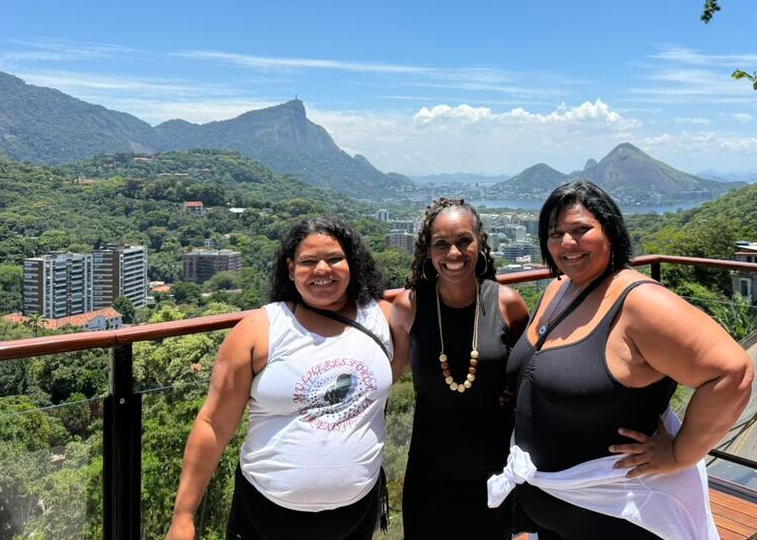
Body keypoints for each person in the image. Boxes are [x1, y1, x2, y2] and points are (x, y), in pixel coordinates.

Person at [493, 180, 754, 540]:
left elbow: (733, 373)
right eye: (556, 234)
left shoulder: (640, 303)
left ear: (611, 232)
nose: (567, 243)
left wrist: (680, 453)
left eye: (581, 230)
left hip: (619, 516)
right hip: (554, 507)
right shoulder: (559, 289)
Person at [165, 217, 399, 540]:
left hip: (356, 514)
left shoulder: (383, 319)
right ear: (290, 270)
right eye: (308, 261)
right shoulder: (260, 330)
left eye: (334, 259)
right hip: (265, 514)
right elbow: (214, 424)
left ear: (352, 263)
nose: (322, 270)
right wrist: (183, 516)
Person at [390, 198, 529, 540]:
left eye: (464, 240)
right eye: (441, 244)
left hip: (493, 470)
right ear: (427, 251)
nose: (454, 254)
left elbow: (530, 371)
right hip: (429, 471)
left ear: (480, 242)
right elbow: (388, 374)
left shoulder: (506, 303)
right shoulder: (409, 307)